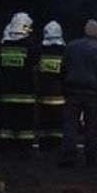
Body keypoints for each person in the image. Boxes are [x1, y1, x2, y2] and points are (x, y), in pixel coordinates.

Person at [60, 19, 97, 167]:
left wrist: (65, 86)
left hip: (72, 91)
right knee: (91, 126)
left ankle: (69, 157)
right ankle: (91, 158)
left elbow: (63, 69)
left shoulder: (71, 46)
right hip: (92, 93)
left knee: (70, 125)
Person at [0, 12, 37, 150]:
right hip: (25, 99)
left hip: (3, 97)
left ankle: (4, 148)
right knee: (24, 127)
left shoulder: (1, 49)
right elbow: (36, 71)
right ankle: (24, 149)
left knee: (5, 126)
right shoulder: (31, 48)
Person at [36, 20, 67, 151]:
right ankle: (57, 145)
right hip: (60, 97)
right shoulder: (65, 52)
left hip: (43, 96)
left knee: (44, 123)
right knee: (58, 124)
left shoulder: (40, 51)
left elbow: (36, 72)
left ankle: (44, 145)